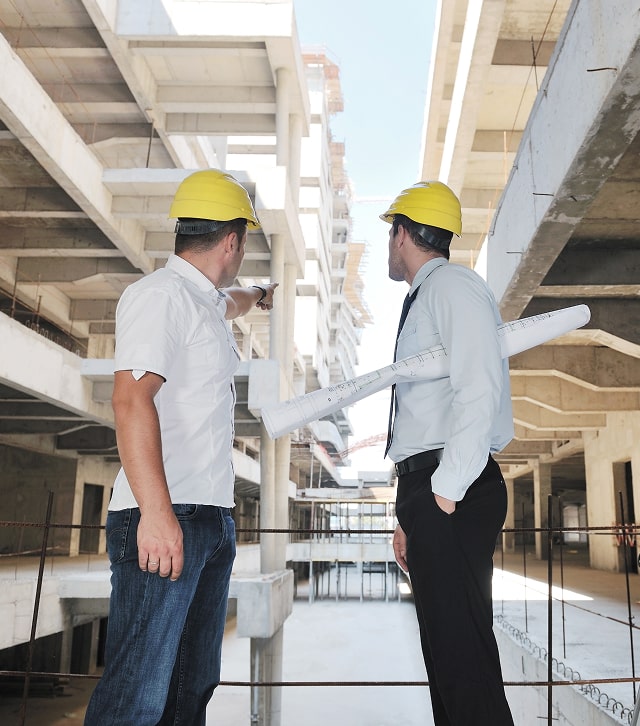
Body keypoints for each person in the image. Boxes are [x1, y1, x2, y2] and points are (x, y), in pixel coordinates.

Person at [84, 169, 278, 725]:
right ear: (232, 241)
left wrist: (259, 294)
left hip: (209, 520)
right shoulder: (160, 296)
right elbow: (130, 401)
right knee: (136, 697)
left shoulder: (205, 302)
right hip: (165, 516)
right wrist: (157, 513)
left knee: (190, 691)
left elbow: (232, 301)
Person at [382, 181, 515, 725]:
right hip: (433, 488)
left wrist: (442, 493)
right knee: (448, 664)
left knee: (464, 668)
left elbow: (479, 386)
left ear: (402, 233)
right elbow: (423, 416)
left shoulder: (452, 286)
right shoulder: (429, 295)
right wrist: (409, 513)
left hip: (453, 487)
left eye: (391, 233)